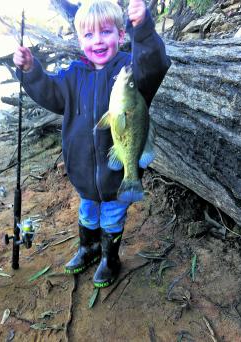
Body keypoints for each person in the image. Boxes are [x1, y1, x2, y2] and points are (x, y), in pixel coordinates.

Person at [13, 0, 171, 288]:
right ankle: (88, 248)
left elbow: (154, 65)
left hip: (117, 170)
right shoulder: (73, 75)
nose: (97, 40)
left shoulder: (129, 70)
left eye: (106, 32)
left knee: (111, 217)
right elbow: (49, 92)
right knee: (87, 212)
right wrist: (30, 71)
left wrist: (144, 30)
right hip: (84, 172)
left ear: (121, 35)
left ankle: (110, 258)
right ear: (78, 40)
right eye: (88, 35)